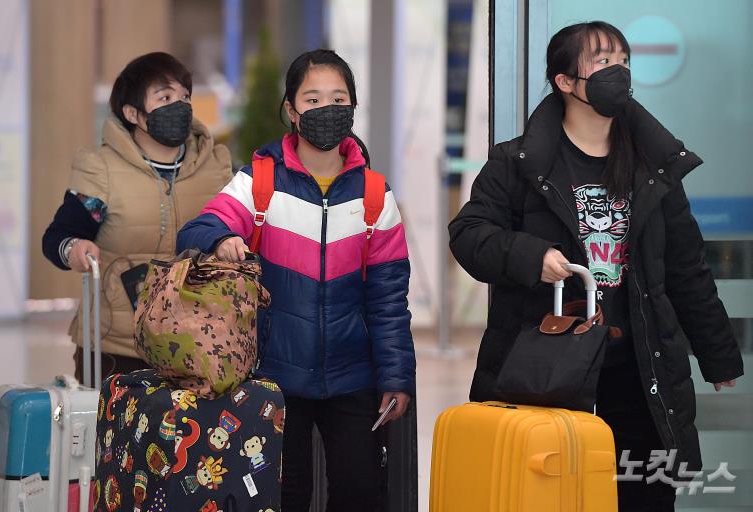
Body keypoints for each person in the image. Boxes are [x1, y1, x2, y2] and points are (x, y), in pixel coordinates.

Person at [449, 21, 743, 511]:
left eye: (623, 62)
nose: (618, 72)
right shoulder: (517, 163)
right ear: (565, 82)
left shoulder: (654, 166)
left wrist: (718, 356)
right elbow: (469, 235)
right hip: (549, 374)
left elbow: (686, 267)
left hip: (639, 374)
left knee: (644, 498)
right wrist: (530, 256)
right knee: (553, 497)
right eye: (603, 62)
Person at [177, 49, 416, 511]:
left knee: (361, 492)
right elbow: (197, 228)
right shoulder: (259, 182)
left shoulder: (374, 195)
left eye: (338, 98)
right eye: (312, 99)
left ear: (352, 107)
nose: (326, 109)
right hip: (274, 377)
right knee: (283, 495)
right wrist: (223, 237)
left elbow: (388, 299)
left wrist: (396, 377)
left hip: (353, 377)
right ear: (291, 109)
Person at [42, 52, 233, 383]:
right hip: (117, 348)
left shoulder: (215, 166)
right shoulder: (100, 169)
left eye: (185, 97)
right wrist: (74, 247)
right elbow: (59, 235)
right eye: (165, 97)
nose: (181, 106)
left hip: (198, 342)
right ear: (133, 113)